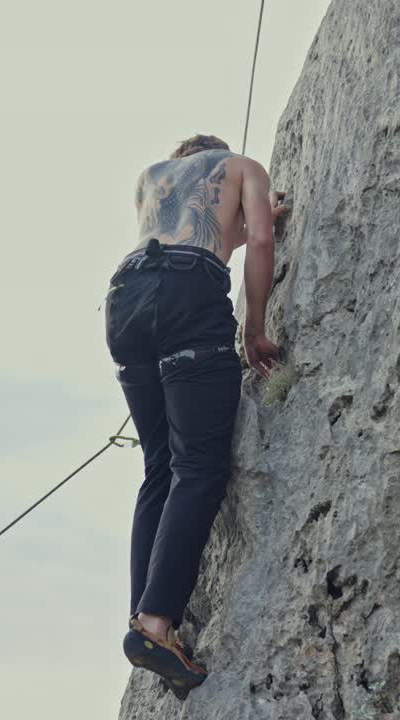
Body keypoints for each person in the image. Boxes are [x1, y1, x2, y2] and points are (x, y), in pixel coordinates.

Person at [103, 133, 288, 697]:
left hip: (123, 300)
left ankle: (146, 619)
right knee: (199, 466)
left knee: (158, 466)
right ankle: (157, 624)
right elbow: (253, 242)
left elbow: (191, 238)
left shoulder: (149, 180)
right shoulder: (240, 166)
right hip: (187, 299)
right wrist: (254, 329)